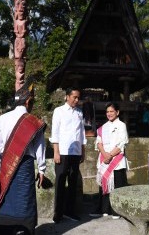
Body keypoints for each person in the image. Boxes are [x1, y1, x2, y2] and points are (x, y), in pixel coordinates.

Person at [0, 76, 46, 235]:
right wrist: (41, 170)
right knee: (24, 199)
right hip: (25, 165)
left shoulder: (2, 118)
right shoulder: (34, 121)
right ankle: (25, 229)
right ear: (28, 102)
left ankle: (4, 228)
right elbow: (40, 148)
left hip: (6, 165)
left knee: (5, 197)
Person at [50, 87, 87, 223]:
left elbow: (82, 134)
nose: (77, 100)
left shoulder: (79, 113)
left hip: (75, 152)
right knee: (60, 182)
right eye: (74, 97)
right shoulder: (58, 111)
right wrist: (56, 151)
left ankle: (70, 211)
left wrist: (83, 152)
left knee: (72, 183)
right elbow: (55, 132)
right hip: (63, 152)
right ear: (67, 97)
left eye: (78, 98)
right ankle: (58, 213)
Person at [89, 102, 129, 220]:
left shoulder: (122, 125)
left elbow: (122, 143)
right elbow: (98, 142)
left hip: (117, 159)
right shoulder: (103, 127)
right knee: (104, 185)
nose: (109, 114)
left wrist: (110, 155)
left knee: (118, 185)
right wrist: (105, 154)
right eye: (107, 112)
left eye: (112, 111)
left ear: (117, 112)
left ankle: (117, 210)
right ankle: (104, 209)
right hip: (104, 158)